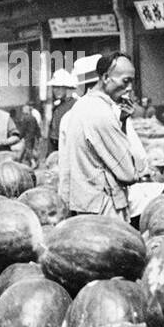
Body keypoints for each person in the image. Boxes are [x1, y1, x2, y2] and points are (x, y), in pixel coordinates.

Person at [58, 51, 142, 219]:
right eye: (126, 81)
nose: (130, 88)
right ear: (105, 78)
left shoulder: (80, 108)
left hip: (86, 205)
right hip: (106, 207)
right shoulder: (101, 113)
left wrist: (122, 122)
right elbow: (129, 172)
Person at [46, 69, 78, 157]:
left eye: (60, 87)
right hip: (55, 147)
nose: (56, 90)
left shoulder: (74, 105)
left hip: (68, 148)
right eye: (54, 87)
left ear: (67, 87)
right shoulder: (56, 107)